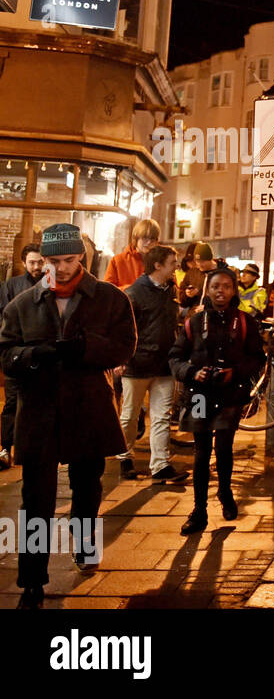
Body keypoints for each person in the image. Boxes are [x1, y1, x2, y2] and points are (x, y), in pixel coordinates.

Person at [0, 224, 136, 609]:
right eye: (52, 260)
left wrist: (86, 348)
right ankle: (31, 581)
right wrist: (32, 356)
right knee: (35, 499)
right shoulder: (23, 304)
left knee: (87, 486)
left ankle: (84, 542)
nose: (60, 268)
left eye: (68, 260)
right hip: (40, 411)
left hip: (87, 407)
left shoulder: (108, 298)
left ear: (82, 258)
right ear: (42, 260)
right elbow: (5, 353)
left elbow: (125, 346)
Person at [169, 267, 264, 535]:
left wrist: (236, 372)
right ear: (207, 291)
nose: (220, 291)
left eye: (225, 286)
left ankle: (225, 491)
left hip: (230, 392)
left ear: (233, 290)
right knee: (201, 454)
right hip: (198, 393)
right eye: (214, 286)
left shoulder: (245, 322)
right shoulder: (194, 323)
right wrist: (192, 372)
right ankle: (198, 510)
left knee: (224, 448)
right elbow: (174, 357)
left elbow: (258, 358)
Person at [117, 243, 188, 482]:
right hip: (137, 364)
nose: (176, 267)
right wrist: (123, 358)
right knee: (129, 415)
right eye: (172, 263)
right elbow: (124, 329)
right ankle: (125, 457)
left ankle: (160, 465)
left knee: (161, 416)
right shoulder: (134, 293)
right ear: (157, 265)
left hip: (164, 364)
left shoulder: (170, 290)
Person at [0, 243, 43, 470]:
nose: (36, 267)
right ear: (24, 263)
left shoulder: (51, 286)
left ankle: (32, 449)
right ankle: (5, 448)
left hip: (42, 357)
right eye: (32, 262)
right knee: (12, 403)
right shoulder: (11, 286)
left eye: (40, 262)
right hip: (17, 355)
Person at [105, 219, 161, 290]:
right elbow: (107, 290)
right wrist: (131, 289)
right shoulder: (118, 261)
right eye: (145, 238)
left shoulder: (161, 262)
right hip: (125, 300)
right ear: (136, 238)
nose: (149, 242)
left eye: (152, 239)